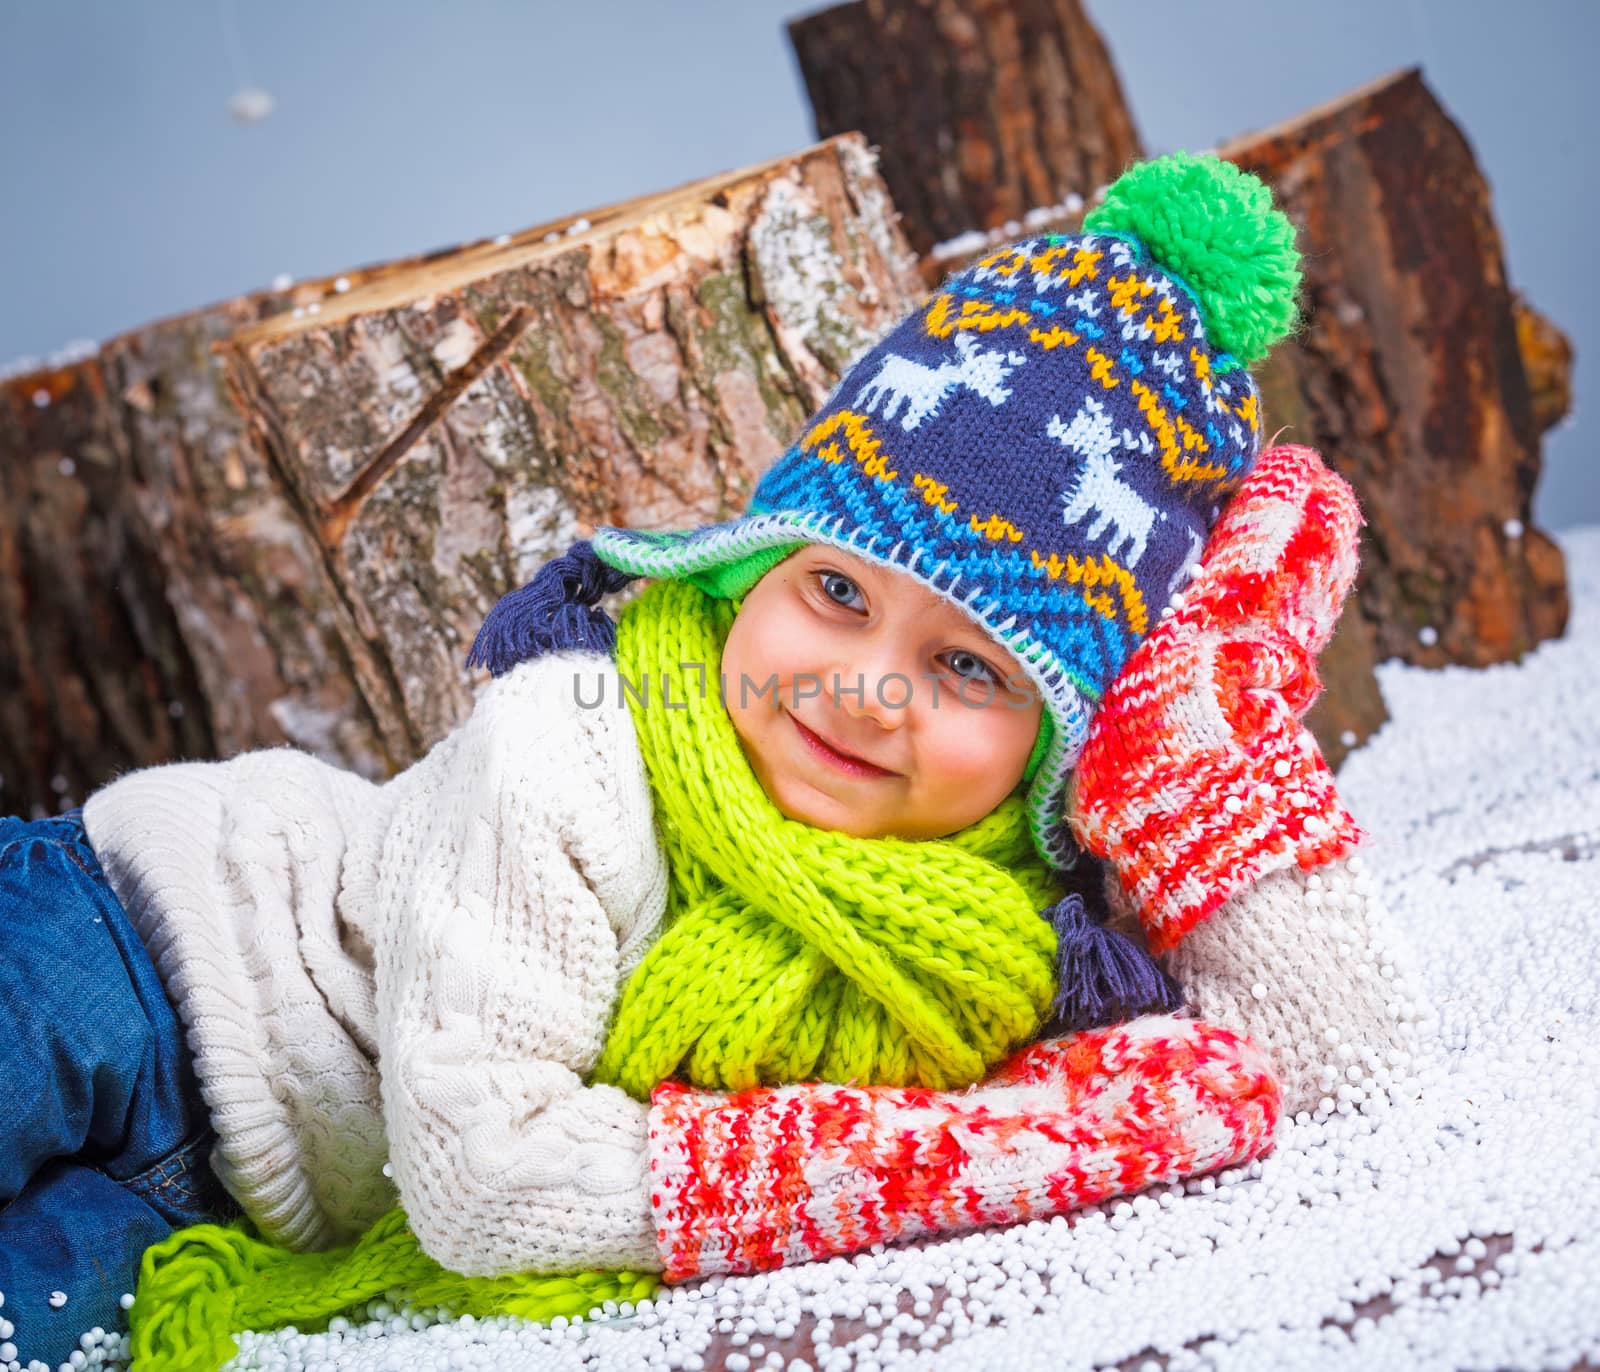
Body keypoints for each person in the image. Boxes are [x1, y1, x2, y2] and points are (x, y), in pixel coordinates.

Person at [0, 151, 1419, 1366]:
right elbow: (484, 1182)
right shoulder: (567, 753)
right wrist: (987, 1155)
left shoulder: (999, 935)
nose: (865, 689)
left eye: (973, 667)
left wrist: (1201, 715)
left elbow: (1324, 1061)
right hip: (132, 953)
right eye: (839, 592)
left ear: (1072, 735)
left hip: (220, 1200)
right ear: (753, 571)